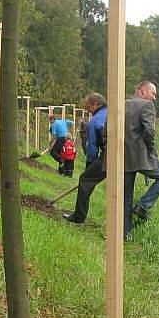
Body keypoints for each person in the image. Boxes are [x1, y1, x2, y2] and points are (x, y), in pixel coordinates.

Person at [123, 80, 159, 237]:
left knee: (126, 197)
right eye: (153, 93)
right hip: (141, 156)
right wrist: (152, 150)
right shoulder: (146, 105)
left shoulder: (121, 104)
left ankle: (126, 233)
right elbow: (149, 131)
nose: (155, 98)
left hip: (122, 157)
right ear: (142, 91)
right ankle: (143, 206)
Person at [63, 93, 108, 224]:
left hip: (108, 155)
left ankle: (78, 216)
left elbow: (93, 148)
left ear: (96, 104)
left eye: (89, 107)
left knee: (85, 179)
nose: (88, 110)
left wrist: (89, 167)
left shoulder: (95, 122)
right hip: (125, 152)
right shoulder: (112, 112)